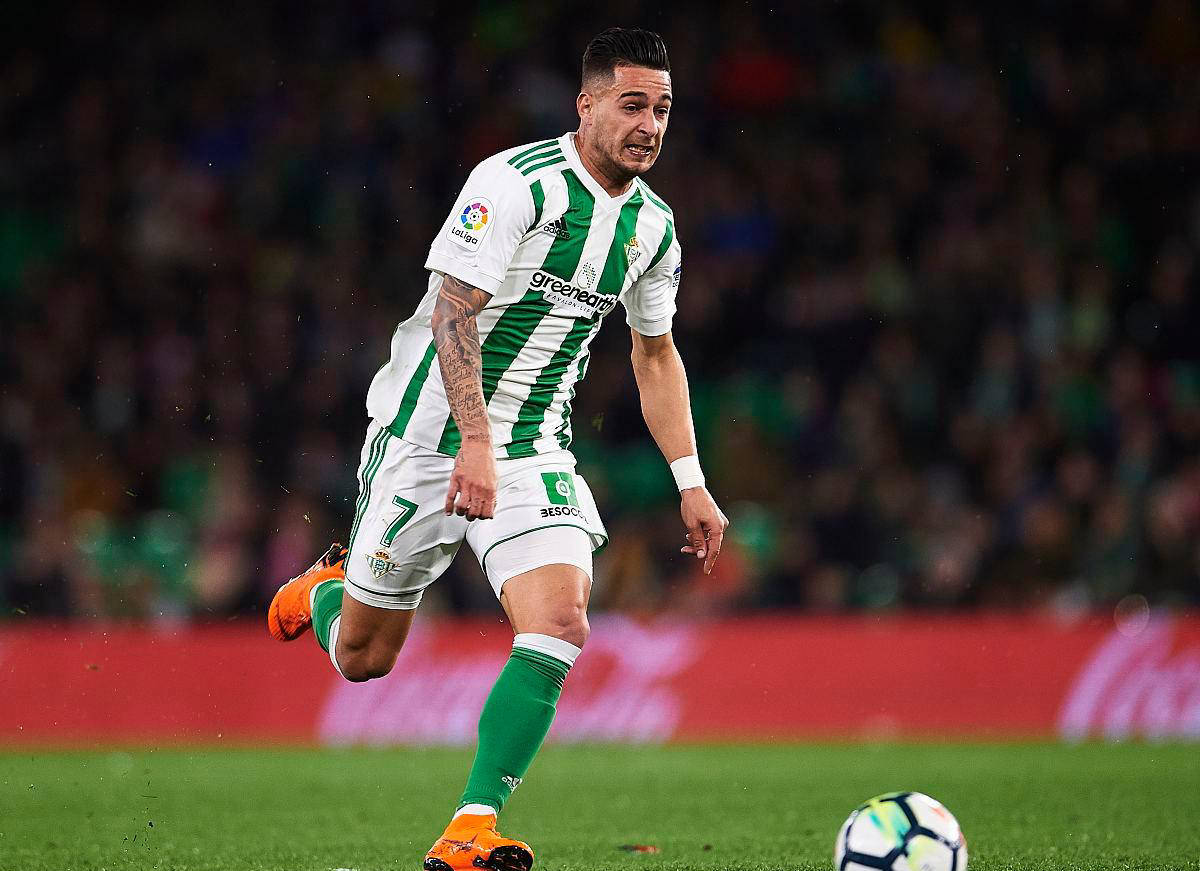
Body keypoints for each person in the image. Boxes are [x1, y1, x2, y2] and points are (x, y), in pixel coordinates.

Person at [267, 26, 727, 871]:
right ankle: (327, 591)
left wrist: (690, 480)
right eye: (632, 105)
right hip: (426, 436)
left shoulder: (655, 229)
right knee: (365, 658)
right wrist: (472, 439)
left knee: (561, 619)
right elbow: (454, 312)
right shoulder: (515, 183)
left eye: (663, 109)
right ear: (585, 104)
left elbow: (655, 354)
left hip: (535, 444)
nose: (649, 125)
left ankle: (470, 826)